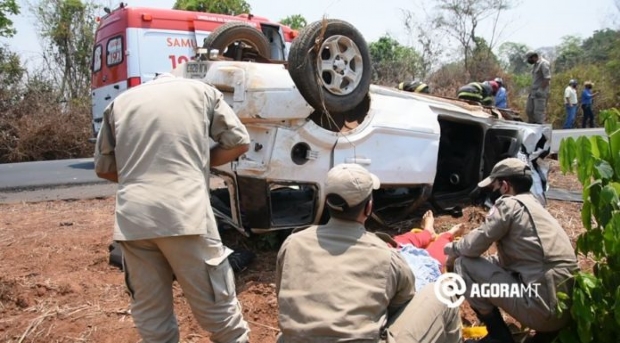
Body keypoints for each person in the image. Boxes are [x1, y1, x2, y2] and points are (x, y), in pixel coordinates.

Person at [94, 73, 251, 343]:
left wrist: (142, 174)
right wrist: (197, 163)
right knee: (222, 317)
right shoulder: (203, 92)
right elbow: (239, 141)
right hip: (185, 213)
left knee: (153, 321)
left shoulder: (119, 103)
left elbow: (104, 168)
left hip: (134, 219)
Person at [276, 163, 462, 343]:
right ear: (368, 207)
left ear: (327, 201)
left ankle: (429, 232)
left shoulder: (292, 243)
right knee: (443, 290)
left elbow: (284, 295)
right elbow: (401, 304)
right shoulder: (386, 254)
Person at [444, 158, 578, 343]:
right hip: (563, 309)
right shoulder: (536, 206)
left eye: (494, 187)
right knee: (489, 263)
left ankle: (499, 337)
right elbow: (516, 260)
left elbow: (472, 247)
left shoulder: (509, 205)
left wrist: (451, 248)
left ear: (505, 186)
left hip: (543, 311)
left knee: (463, 263)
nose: (493, 193)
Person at [385, 211, 465, 291]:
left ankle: (428, 233)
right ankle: (444, 236)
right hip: (408, 279)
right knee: (432, 261)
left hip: (389, 262)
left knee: (396, 242)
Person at [524, 51, 551, 124]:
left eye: (529, 59)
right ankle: (533, 126)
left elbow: (547, 78)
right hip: (533, 93)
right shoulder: (535, 65)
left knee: (538, 113)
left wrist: (541, 90)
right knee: (529, 110)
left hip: (540, 93)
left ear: (533, 57)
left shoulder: (543, 63)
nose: (529, 61)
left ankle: (541, 130)